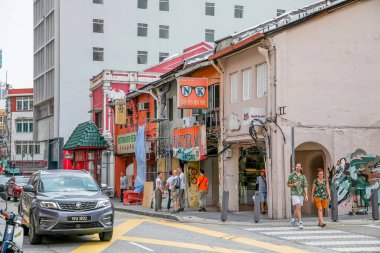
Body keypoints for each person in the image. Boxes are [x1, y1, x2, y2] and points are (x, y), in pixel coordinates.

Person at [287, 162, 308, 229]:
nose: (297, 167)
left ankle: (293, 220)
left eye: (299, 166)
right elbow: (288, 184)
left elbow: (305, 186)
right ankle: (300, 222)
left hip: (301, 194)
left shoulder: (303, 176)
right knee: (298, 206)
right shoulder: (291, 175)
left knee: (298, 208)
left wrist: (306, 195)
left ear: (301, 168)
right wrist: (294, 184)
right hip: (294, 193)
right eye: (296, 166)